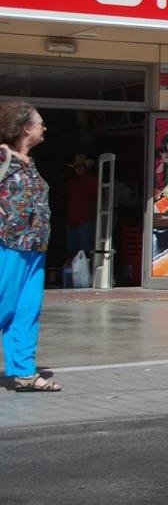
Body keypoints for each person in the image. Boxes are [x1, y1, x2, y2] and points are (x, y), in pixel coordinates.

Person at [0, 101, 60, 391]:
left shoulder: (28, 162)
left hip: (34, 247)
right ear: (26, 128)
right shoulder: (1, 156)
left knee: (27, 310)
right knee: (3, 307)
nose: (44, 127)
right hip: (7, 245)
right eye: (40, 123)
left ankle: (23, 372)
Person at [65, 153, 98, 256]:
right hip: (72, 220)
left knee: (86, 251)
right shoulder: (72, 182)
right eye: (75, 167)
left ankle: (87, 271)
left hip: (86, 220)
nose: (77, 169)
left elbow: (101, 199)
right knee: (72, 250)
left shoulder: (93, 181)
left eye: (80, 167)